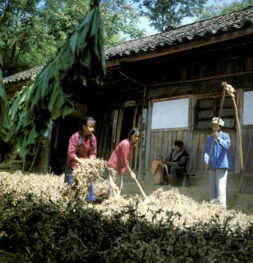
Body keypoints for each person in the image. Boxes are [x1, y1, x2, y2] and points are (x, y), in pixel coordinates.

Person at [65, 116, 97, 202]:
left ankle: (89, 201)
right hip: (73, 165)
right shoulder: (75, 137)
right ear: (84, 126)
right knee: (71, 185)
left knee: (88, 182)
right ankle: (71, 202)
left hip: (85, 165)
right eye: (90, 127)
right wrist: (81, 162)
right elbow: (71, 153)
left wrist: (90, 161)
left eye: (93, 127)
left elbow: (93, 153)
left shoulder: (92, 138)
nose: (92, 129)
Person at [204, 117, 233, 207]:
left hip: (222, 164)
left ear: (219, 127)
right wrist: (206, 162)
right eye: (213, 126)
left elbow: (227, 146)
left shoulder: (225, 135)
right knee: (212, 186)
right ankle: (212, 204)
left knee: (220, 186)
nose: (214, 127)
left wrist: (219, 139)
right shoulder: (210, 138)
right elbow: (207, 151)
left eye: (216, 126)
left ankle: (220, 206)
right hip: (212, 164)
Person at [107, 128, 140, 196]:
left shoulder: (132, 144)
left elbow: (126, 159)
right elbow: (124, 160)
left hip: (120, 166)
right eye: (135, 136)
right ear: (131, 136)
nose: (137, 138)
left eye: (138, 137)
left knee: (119, 184)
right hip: (114, 164)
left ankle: (115, 199)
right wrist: (131, 172)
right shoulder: (125, 144)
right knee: (114, 185)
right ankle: (113, 201)